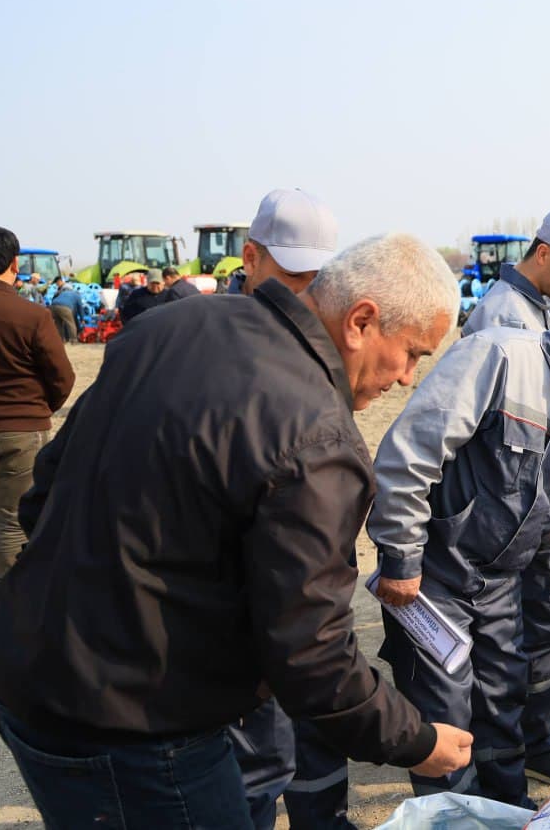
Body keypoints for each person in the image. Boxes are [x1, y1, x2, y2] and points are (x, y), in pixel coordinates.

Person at [0, 233, 473, 827]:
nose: (408, 378)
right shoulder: (318, 438)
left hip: (24, 666)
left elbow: (45, 494)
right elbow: (311, 655)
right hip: (134, 726)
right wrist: (417, 740)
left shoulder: (174, 325)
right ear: (361, 321)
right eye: (413, 353)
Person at [368, 299, 550, 807]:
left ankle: (506, 808)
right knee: (446, 711)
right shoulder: (498, 358)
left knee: (503, 700)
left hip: (501, 582)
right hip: (434, 578)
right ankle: (454, 816)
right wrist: (400, 556)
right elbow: (411, 454)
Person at [219, 188, 359, 830]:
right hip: (240, 596)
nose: (305, 294)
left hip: (298, 577)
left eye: (315, 279)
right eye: (292, 275)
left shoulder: (315, 344)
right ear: (250, 257)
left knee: (308, 719)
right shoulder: (214, 336)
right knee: (254, 760)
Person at [456, 208, 550, 788]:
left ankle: (535, 740)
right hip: (504, 517)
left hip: (535, 511)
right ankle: (507, 756)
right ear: (543, 253)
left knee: (541, 632)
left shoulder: (541, 309)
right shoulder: (503, 315)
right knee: (505, 651)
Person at [0, 226, 74, 589]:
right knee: (14, 521)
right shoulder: (30, 315)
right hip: (19, 431)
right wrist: (37, 410)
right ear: (14, 263)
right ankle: (8, 596)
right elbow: (62, 377)